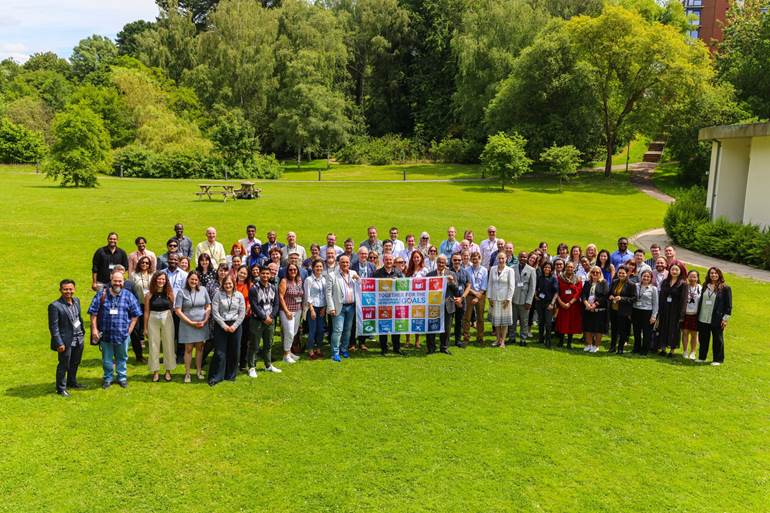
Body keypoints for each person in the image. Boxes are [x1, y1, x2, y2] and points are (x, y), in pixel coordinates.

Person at [88, 270, 142, 389]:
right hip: (105, 334)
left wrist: (130, 330)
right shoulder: (101, 294)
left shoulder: (128, 295)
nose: (117, 283)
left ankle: (122, 377)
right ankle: (108, 378)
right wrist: (94, 330)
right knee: (107, 359)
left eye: (120, 281)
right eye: (115, 281)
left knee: (122, 357)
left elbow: (136, 314)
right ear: (111, 281)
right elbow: (93, 313)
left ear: (123, 282)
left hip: (122, 334)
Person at [48, 279, 85, 396]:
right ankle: (61, 388)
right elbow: (53, 327)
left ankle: (72, 382)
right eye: (65, 289)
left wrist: (82, 332)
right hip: (66, 341)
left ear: (74, 289)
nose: (68, 291)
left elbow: (78, 318)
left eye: (70, 289)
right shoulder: (55, 306)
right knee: (63, 364)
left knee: (75, 362)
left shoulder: (77, 301)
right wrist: (59, 343)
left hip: (79, 338)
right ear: (60, 290)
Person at [208, 274, 246, 386]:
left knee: (234, 351)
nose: (228, 285)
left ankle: (230, 375)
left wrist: (234, 326)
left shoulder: (239, 295)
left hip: (236, 325)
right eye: (226, 283)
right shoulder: (218, 295)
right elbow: (215, 312)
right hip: (221, 325)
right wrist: (224, 326)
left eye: (230, 283)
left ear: (233, 284)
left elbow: (242, 312)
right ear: (222, 284)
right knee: (220, 352)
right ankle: (216, 376)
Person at [174, 271, 211, 382]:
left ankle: (199, 371)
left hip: (201, 324)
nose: (194, 281)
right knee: (188, 349)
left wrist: (205, 320)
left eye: (196, 280)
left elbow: (208, 306)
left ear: (198, 281)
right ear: (188, 279)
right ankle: (187, 373)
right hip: (187, 325)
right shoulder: (182, 292)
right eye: (192, 279)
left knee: (200, 348)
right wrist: (190, 322)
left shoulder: (203, 290)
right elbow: (178, 310)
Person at [247, 265, 282, 377]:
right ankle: (252, 367)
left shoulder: (273, 287)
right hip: (257, 321)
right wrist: (264, 317)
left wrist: (271, 316)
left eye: (268, 273)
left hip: (270, 320)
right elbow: (254, 306)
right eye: (263, 273)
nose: (265, 275)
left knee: (268, 344)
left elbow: (276, 304)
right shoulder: (254, 288)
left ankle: (268, 365)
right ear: (259, 274)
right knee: (255, 345)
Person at [143, 271, 176, 382]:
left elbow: (172, 309)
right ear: (155, 280)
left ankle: (168, 371)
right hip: (153, 317)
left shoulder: (170, 294)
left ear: (166, 281)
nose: (161, 281)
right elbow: (146, 311)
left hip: (167, 316)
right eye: (159, 279)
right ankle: (155, 371)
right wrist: (145, 328)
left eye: (163, 279)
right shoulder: (149, 295)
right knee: (153, 345)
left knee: (169, 344)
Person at [696, 267, 732, 366]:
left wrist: (725, 320)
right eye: (711, 273)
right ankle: (701, 357)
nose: (713, 275)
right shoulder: (704, 286)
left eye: (716, 273)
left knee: (717, 339)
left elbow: (728, 306)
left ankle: (718, 359)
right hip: (703, 317)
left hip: (717, 318)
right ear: (709, 275)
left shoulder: (725, 288)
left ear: (719, 275)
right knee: (703, 339)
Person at [326, 255, 359, 361]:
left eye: (347, 262)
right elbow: (328, 293)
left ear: (349, 263)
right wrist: (331, 307)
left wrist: (358, 279)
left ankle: (344, 349)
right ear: (338, 263)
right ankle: (335, 353)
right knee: (337, 330)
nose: (345, 264)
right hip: (338, 307)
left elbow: (362, 286)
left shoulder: (353, 273)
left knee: (348, 330)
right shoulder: (332, 275)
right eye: (343, 262)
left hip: (351, 307)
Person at [374, 254, 405, 355]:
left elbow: (405, 286)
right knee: (383, 327)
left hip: (396, 304)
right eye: (386, 260)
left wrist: (398, 283)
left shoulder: (398, 273)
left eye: (390, 260)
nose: (389, 261)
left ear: (393, 261)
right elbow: (372, 287)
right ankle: (384, 348)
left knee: (396, 326)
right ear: (383, 261)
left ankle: (397, 348)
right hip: (383, 304)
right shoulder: (377, 273)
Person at [424, 255, 454, 354]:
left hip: (447, 305)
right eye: (439, 262)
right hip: (433, 305)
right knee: (431, 327)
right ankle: (431, 348)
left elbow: (457, 290)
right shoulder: (429, 275)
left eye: (443, 262)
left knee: (447, 328)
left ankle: (444, 347)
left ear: (445, 264)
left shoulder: (451, 274)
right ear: (436, 263)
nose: (441, 264)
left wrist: (452, 282)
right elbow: (425, 290)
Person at [656, 263, 687, 357]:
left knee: (674, 330)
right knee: (663, 327)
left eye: (676, 270)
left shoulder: (683, 283)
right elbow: (661, 296)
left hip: (675, 310)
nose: (674, 271)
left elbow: (684, 300)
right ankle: (663, 348)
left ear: (680, 271)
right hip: (664, 309)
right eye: (672, 269)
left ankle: (672, 350)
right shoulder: (665, 281)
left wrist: (681, 315)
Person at [487, 252, 516, 347]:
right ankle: (497, 339)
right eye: (499, 258)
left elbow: (512, 286)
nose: (501, 260)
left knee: (504, 322)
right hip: (494, 299)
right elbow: (490, 284)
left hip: (505, 300)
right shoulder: (492, 269)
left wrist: (508, 299)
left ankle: (502, 341)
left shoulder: (510, 270)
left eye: (503, 258)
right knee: (497, 321)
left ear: (506, 259)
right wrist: (489, 297)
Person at [129, 256, 153, 364]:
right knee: (136, 331)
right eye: (142, 262)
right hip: (137, 305)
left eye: (147, 263)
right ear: (139, 263)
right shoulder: (134, 275)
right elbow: (129, 290)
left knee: (151, 330)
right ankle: (139, 355)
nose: (144, 264)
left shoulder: (153, 275)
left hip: (151, 306)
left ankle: (153, 356)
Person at [278, 263, 304, 364]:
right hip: (287, 311)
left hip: (298, 310)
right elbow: (281, 296)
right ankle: (286, 355)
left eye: (294, 269)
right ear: (287, 271)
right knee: (289, 332)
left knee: (293, 332)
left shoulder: (299, 281)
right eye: (290, 270)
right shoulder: (284, 281)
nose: (293, 271)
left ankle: (289, 352)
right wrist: (286, 311)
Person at [607, 265, 636, 354]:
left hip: (623, 311)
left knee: (622, 331)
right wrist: (610, 296)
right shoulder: (614, 282)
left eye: (623, 273)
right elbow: (609, 293)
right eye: (619, 273)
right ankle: (612, 347)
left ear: (627, 273)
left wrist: (622, 298)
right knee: (614, 330)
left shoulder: (631, 284)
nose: (621, 274)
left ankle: (620, 348)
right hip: (613, 309)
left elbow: (634, 298)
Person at [510, 251, 537, 346]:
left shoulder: (531, 270)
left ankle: (523, 339)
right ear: (518, 257)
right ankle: (512, 337)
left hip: (524, 301)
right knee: (512, 321)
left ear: (527, 258)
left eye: (525, 257)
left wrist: (529, 301)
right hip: (513, 299)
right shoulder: (512, 269)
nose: (523, 259)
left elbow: (532, 288)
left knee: (524, 321)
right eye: (521, 257)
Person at [555, 261, 583, 348]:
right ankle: (561, 341)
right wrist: (561, 303)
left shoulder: (578, 279)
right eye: (568, 267)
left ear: (574, 269)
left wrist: (570, 303)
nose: (570, 268)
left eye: (571, 267)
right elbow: (556, 291)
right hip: (562, 305)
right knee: (563, 323)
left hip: (573, 305)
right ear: (565, 267)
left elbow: (578, 293)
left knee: (571, 323)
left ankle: (569, 343)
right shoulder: (559, 278)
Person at [445, 253, 471, 348]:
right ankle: (446, 342)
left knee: (459, 322)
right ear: (452, 260)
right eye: (455, 260)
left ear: (462, 261)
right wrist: (454, 299)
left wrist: (462, 298)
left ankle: (458, 341)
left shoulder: (465, 272)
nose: (457, 262)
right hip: (450, 300)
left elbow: (468, 285)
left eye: (459, 260)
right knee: (448, 322)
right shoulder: (447, 272)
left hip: (461, 300)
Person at [581, 266, 609, 353]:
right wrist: (587, 304)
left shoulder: (604, 283)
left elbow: (605, 296)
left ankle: (596, 346)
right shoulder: (587, 283)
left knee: (598, 328)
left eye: (597, 272)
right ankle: (589, 345)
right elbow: (583, 295)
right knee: (588, 327)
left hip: (599, 310)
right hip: (587, 308)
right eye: (593, 272)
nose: (595, 274)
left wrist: (594, 305)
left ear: (600, 274)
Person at [304, 259, 328, 360]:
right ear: (313, 268)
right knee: (312, 330)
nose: (319, 268)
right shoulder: (309, 280)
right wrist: (311, 309)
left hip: (322, 308)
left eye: (320, 267)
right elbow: (307, 295)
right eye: (317, 266)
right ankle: (310, 350)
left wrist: (324, 307)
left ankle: (318, 349)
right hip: (312, 308)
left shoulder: (324, 279)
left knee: (321, 330)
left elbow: (326, 294)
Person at [632, 269, 658, 355]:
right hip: (636, 311)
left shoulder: (653, 289)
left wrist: (654, 316)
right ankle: (636, 348)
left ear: (651, 278)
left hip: (647, 312)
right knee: (636, 331)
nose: (646, 278)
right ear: (641, 277)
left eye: (648, 276)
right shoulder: (635, 286)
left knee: (647, 333)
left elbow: (655, 304)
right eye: (644, 276)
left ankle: (645, 350)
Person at [464, 251, 488, 345]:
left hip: (481, 295)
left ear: (480, 259)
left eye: (476, 258)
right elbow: (466, 285)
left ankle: (480, 337)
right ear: (470, 259)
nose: (475, 260)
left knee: (480, 318)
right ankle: (466, 337)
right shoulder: (467, 270)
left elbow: (484, 285)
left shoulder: (484, 270)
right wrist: (474, 293)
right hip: (470, 294)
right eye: (473, 259)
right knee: (467, 317)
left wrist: (478, 297)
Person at [534, 261, 558, 347]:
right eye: (545, 267)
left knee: (548, 323)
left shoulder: (554, 279)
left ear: (551, 269)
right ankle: (541, 339)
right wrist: (535, 295)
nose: (547, 269)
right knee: (541, 321)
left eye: (549, 267)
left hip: (549, 303)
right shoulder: (540, 277)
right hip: (540, 302)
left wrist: (552, 304)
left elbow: (556, 293)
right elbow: (536, 288)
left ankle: (548, 340)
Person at [682, 270, 701, 360]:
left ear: (697, 278)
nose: (692, 278)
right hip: (685, 313)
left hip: (695, 314)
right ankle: (685, 351)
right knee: (685, 332)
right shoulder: (684, 287)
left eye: (694, 277)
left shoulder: (700, 288)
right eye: (690, 276)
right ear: (687, 277)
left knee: (694, 334)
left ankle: (693, 352)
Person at [235, 266, 252, 370]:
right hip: (234, 317)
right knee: (235, 341)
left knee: (244, 341)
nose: (242, 275)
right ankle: (234, 361)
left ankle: (243, 362)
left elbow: (251, 300)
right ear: (237, 272)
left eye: (244, 273)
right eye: (241, 272)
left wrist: (247, 309)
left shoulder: (250, 285)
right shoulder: (232, 284)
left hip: (246, 317)